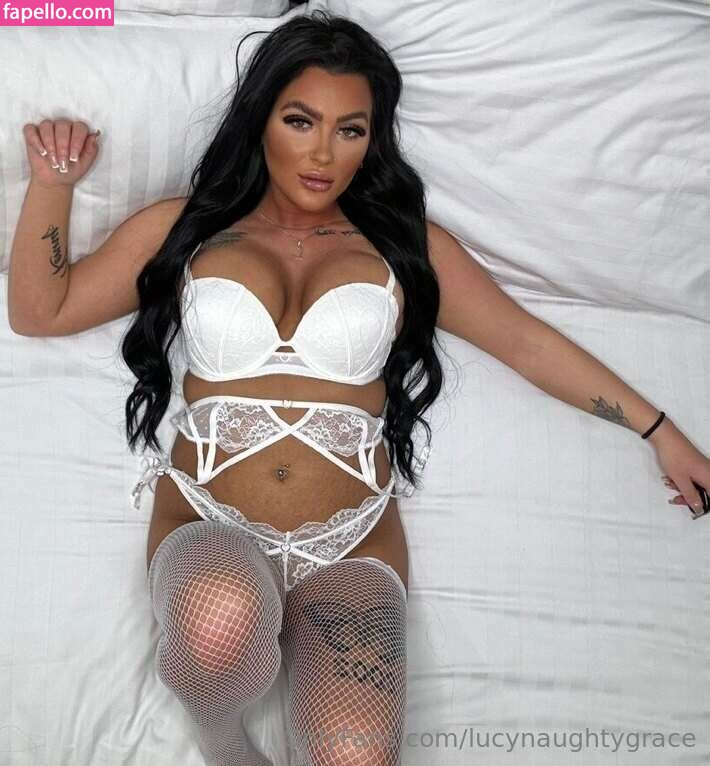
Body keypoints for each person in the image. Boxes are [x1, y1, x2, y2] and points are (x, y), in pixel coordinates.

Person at [10, 9, 707, 766]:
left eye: (351, 129)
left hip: (349, 542)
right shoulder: (187, 228)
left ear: (373, 138)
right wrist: (53, 186)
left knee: (357, 756)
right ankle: (223, 740)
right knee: (219, 625)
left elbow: (526, 342)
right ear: (262, 118)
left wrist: (659, 430)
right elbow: (41, 311)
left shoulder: (405, 247)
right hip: (210, 519)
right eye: (300, 120)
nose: (323, 153)